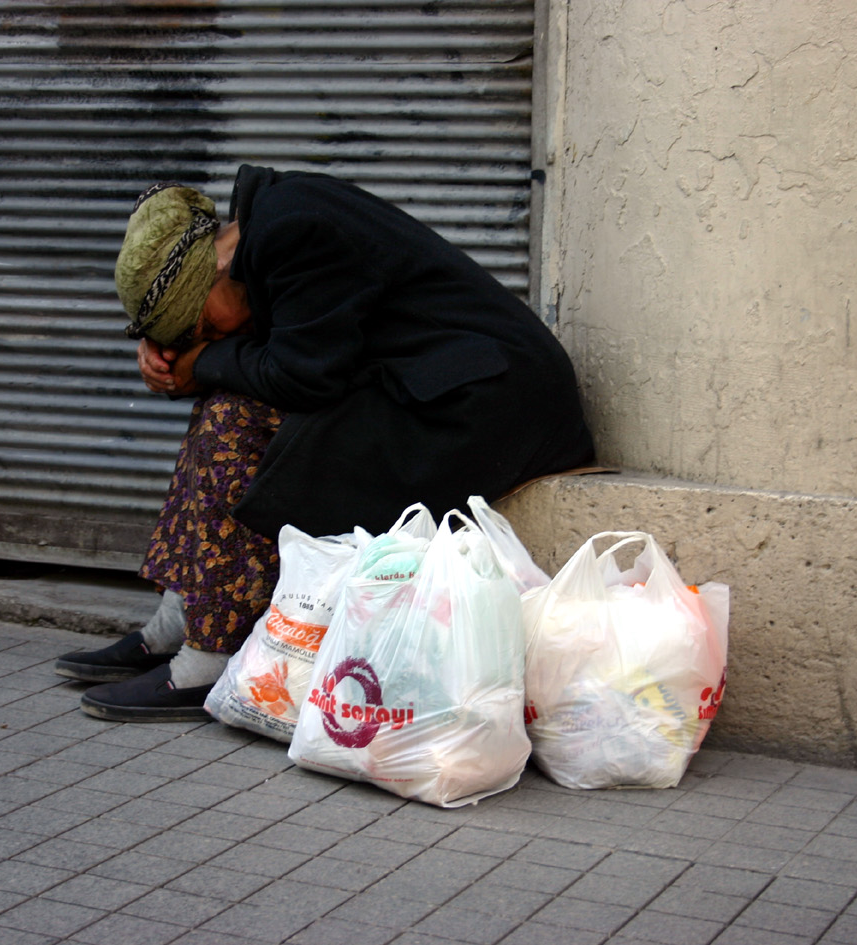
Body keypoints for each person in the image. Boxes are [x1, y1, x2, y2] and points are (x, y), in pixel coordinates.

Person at [54, 164, 595, 721]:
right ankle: (179, 622)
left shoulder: (296, 231)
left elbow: (305, 375)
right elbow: (291, 353)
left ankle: (210, 655)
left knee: (231, 421)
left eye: (206, 327)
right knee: (220, 402)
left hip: (485, 405)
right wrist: (172, 358)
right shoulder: (267, 231)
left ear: (215, 272)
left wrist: (205, 360)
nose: (216, 338)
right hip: (422, 387)